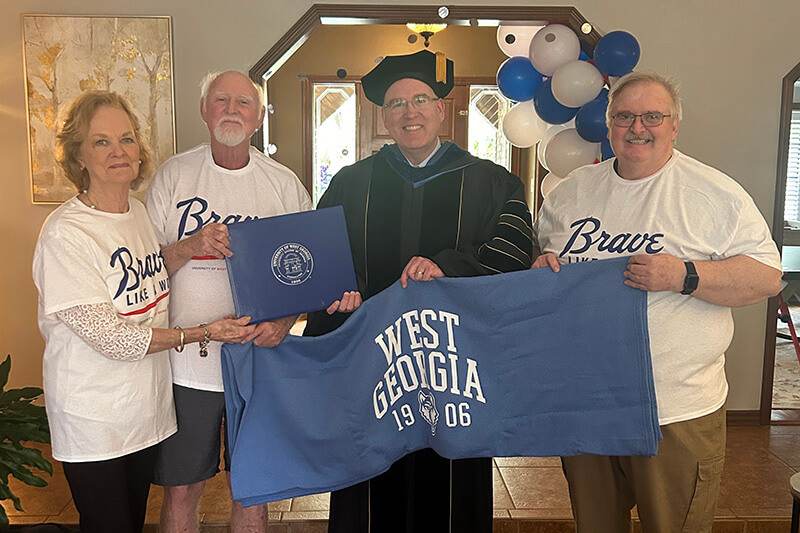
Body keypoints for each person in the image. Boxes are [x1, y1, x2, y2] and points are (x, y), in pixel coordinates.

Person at [532, 72, 782, 532]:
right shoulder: (569, 194)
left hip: (675, 408)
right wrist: (541, 269)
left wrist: (685, 274)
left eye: (652, 116)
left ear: (674, 125)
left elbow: (767, 277)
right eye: (624, 116)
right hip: (589, 401)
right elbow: (545, 268)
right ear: (608, 126)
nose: (637, 127)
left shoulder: (714, 193)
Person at [304, 50, 533, 533]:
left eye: (420, 100)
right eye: (396, 104)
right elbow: (321, 260)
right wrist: (340, 291)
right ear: (384, 117)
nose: (410, 112)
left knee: (450, 479)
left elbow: (514, 253)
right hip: (375, 365)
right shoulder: (351, 183)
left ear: (441, 110)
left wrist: (448, 268)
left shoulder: (492, 182)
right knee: (369, 474)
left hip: (454, 364)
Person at [31, 90, 255, 533]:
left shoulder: (134, 212)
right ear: (77, 155)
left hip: (142, 411)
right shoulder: (66, 234)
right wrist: (204, 332)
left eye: (127, 139)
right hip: (95, 419)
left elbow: (146, 269)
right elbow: (117, 339)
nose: (118, 152)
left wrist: (192, 246)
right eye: (101, 142)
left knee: (132, 521)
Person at [146, 70, 359, 533]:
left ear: (259, 117)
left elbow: (311, 271)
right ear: (204, 110)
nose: (231, 110)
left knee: (255, 487)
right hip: (188, 365)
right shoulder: (173, 176)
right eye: (221, 100)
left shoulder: (282, 184)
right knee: (183, 488)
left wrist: (284, 321)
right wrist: (190, 246)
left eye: (243, 103)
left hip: (260, 362)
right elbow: (145, 266)